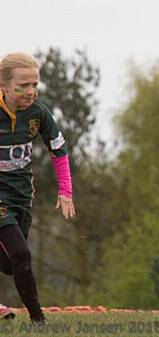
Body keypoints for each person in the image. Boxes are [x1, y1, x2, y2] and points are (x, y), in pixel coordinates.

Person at [0, 52, 76, 323]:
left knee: (11, 264)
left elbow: (58, 148)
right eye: (23, 85)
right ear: (4, 86)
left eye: (35, 84)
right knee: (21, 252)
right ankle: (38, 320)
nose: (31, 91)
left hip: (21, 196)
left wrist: (65, 190)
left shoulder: (38, 113)